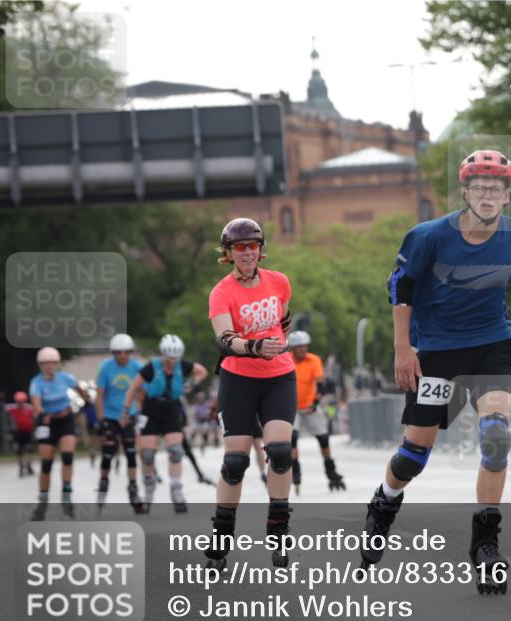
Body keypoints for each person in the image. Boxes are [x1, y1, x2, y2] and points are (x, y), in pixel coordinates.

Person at [363, 149, 511, 594]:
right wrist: (403, 348)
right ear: (465, 191)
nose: (488, 195)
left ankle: (486, 544)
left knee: (496, 436)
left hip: (492, 346)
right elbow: (401, 288)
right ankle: (384, 502)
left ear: (508, 196)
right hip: (436, 352)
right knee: (413, 457)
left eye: (497, 188)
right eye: (480, 187)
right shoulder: (428, 236)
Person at [205, 218, 297, 568]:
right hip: (238, 380)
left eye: (252, 246)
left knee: (279, 452)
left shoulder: (279, 282)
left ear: (261, 249)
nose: (247, 253)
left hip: (279, 377)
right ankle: (222, 535)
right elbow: (224, 340)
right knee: (236, 462)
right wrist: (255, 346)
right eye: (239, 248)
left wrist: (275, 342)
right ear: (228, 253)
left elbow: (284, 318)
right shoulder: (222, 292)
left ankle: (278, 531)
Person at [121, 334, 208, 513]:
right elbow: (132, 389)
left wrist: (191, 384)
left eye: (175, 359)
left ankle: (176, 492)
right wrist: (125, 411)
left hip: (171, 409)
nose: (171, 363)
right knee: (146, 454)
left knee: (176, 451)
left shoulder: (182, 366)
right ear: (162, 354)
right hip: (151, 410)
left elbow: (202, 371)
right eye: (168, 359)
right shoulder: (151, 368)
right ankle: (149, 491)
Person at [29, 347, 89, 519]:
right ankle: (42, 500)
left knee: (68, 457)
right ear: (40, 365)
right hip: (47, 421)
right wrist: (42, 413)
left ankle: (67, 494)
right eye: (44, 364)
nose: (48, 366)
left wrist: (78, 404)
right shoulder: (37, 382)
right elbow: (36, 401)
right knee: (46, 463)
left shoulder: (65, 378)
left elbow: (82, 392)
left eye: (51, 363)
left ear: (57, 364)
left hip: (65, 420)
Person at [288, 330, 345, 494]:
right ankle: (296, 471)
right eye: (299, 346)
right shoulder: (286, 360)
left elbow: (320, 384)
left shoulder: (314, 360)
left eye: (305, 346)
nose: (302, 349)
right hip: (291, 406)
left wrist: (316, 401)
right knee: (292, 439)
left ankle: (330, 470)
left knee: (323, 438)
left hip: (310, 405)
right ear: (292, 347)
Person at [95, 333, 146, 512]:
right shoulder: (105, 368)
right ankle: (103, 485)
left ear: (130, 352)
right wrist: (101, 421)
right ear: (113, 353)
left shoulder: (137, 368)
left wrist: (140, 414)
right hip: (110, 415)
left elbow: (142, 393)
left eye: (125, 352)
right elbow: (99, 396)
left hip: (129, 416)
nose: (122, 356)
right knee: (108, 453)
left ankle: (133, 489)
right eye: (117, 352)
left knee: (131, 453)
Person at [4, 391, 35, 477]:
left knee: (29, 449)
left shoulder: (29, 408)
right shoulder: (12, 408)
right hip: (17, 432)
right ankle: (21, 467)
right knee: (19, 451)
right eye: (18, 401)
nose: (20, 403)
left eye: (22, 401)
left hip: (28, 432)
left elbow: (34, 418)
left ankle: (29, 465)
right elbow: (4, 407)